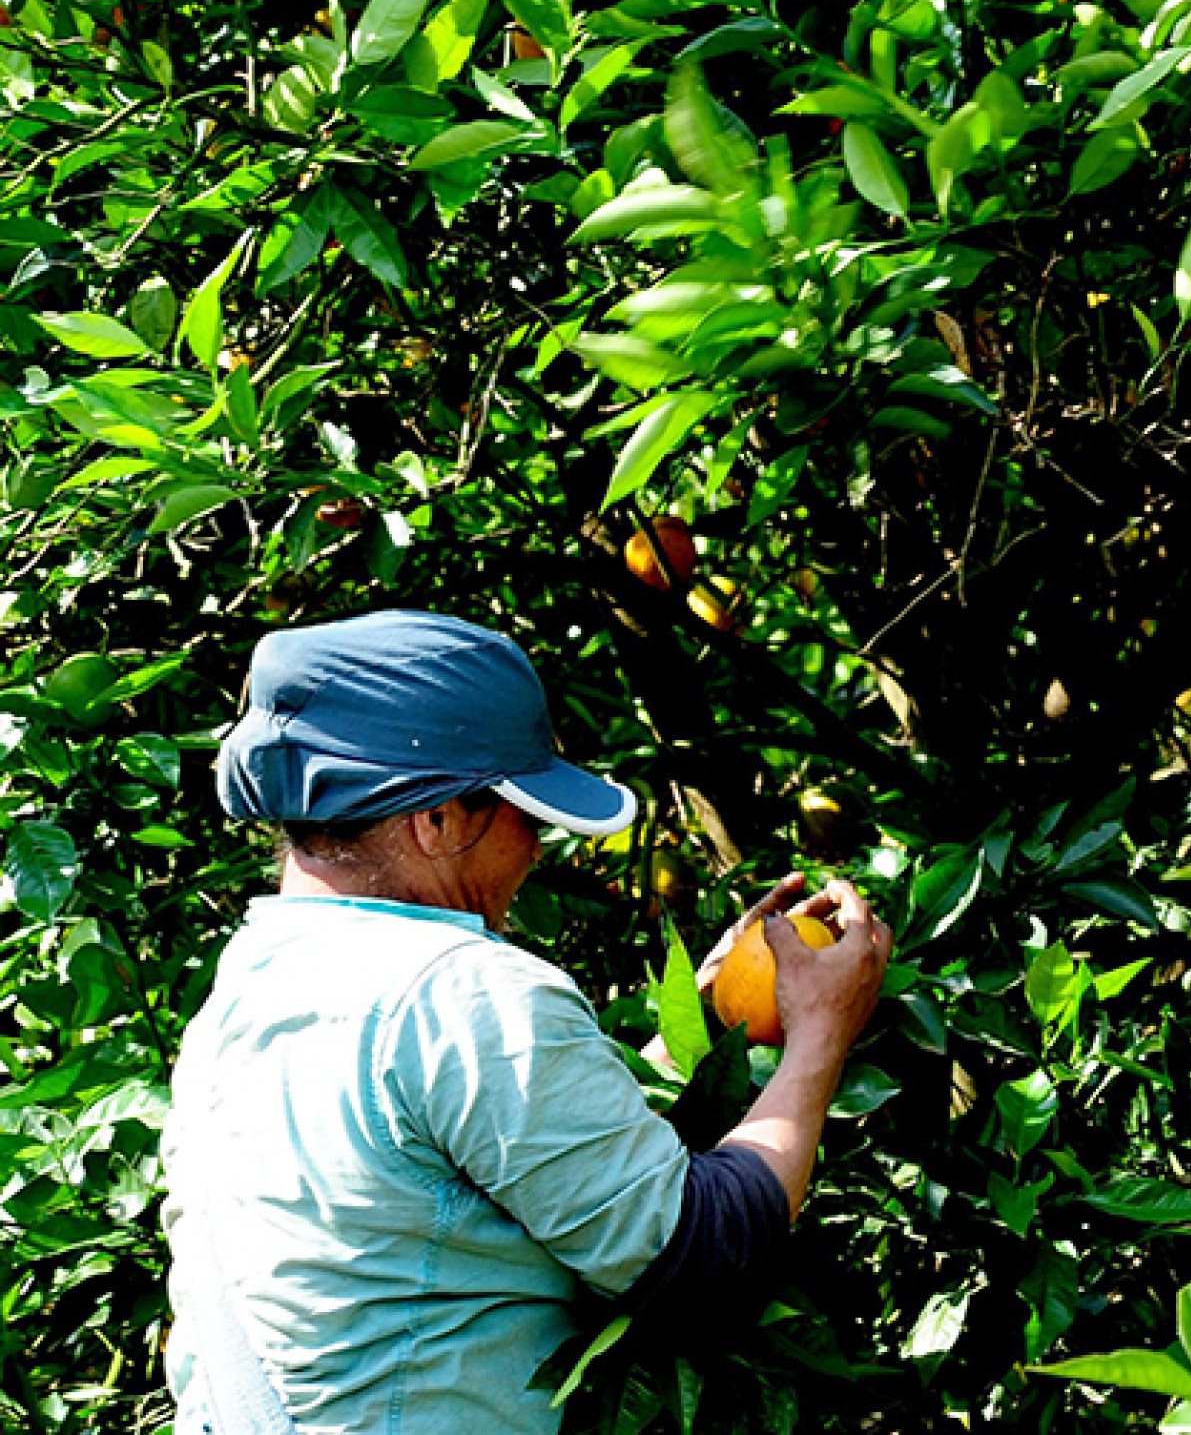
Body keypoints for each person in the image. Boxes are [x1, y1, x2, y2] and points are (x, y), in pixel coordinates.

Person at [159, 609, 891, 1434]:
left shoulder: (246, 994)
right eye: (523, 816)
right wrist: (824, 1033)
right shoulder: (465, 992)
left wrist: (716, 1016)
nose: (537, 848)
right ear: (434, 821)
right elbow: (702, 1255)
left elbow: (477, 1152)